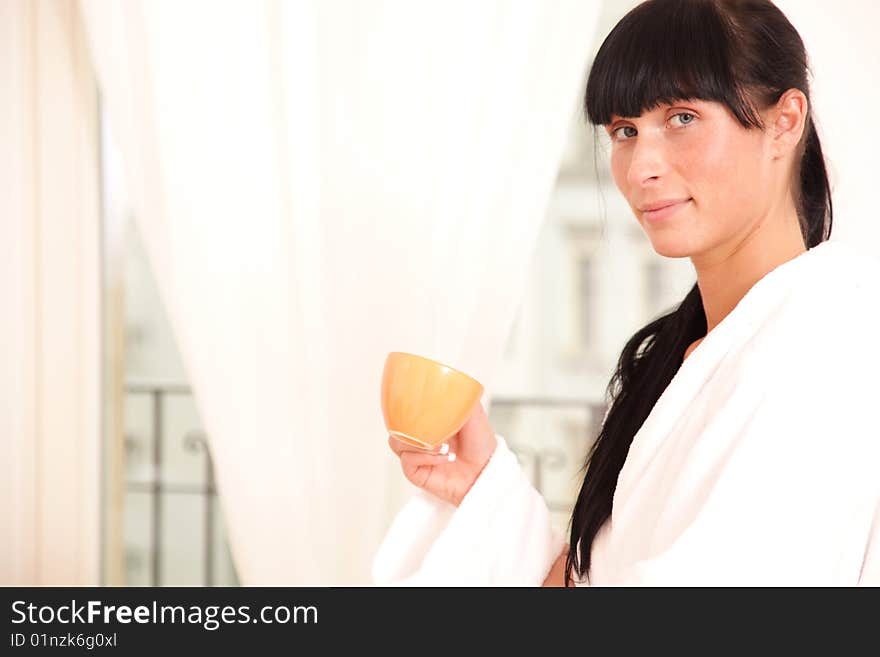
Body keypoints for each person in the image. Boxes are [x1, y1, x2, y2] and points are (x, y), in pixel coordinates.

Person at [372, 0, 880, 586]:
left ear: (784, 121)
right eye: (624, 131)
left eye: (683, 118)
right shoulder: (672, 357)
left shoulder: (835, 338)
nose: (641, 166)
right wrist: (482, 485)